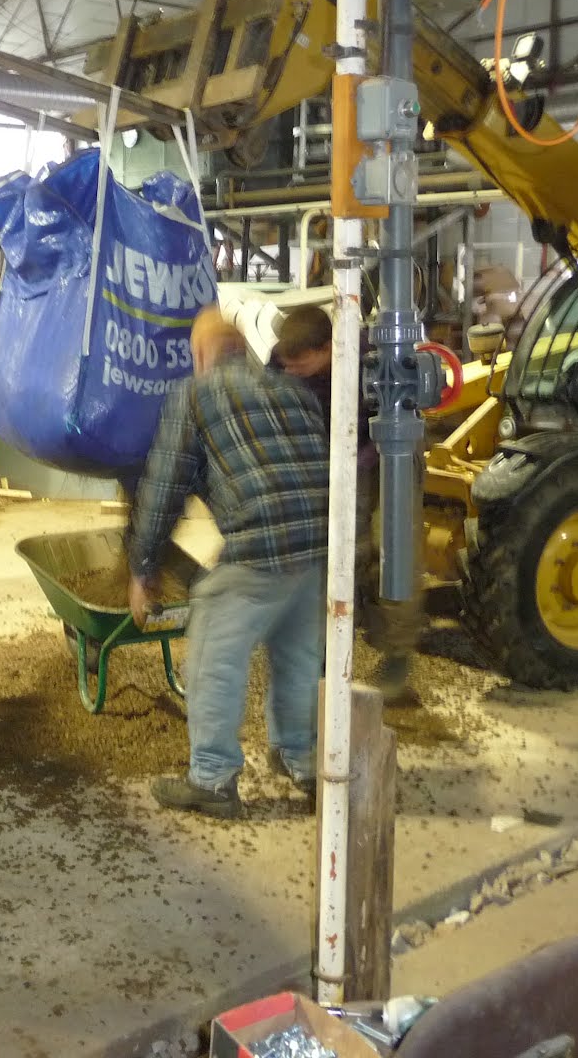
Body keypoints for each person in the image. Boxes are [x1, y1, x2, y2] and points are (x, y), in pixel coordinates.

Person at [129, 307, 330, 819]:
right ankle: (301, 758)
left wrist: (142, 566)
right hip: (318, 545)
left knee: (215, 657)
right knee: (299, 657)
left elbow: (164, 484)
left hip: (259, 548)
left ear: (200, 355)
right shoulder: (294, 391)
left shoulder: (194, 395)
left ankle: (213, 779)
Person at [272, 305, 422, 698]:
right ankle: (324, 652)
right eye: (287, 365)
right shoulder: (283, 359)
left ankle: (396, 654)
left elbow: (393, 426)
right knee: (329, 550)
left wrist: (349, 465)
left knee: (389, 549)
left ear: (328, 348)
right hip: (330, 455)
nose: (292, 372)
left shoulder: (375, 366)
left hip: (386, 456)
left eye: (300, 365)